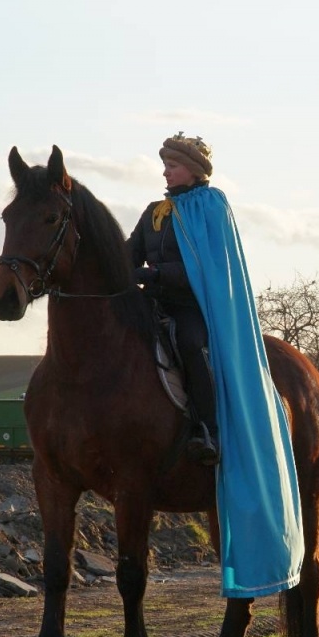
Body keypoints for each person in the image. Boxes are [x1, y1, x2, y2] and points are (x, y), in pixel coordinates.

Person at [126, 132, 221, 465]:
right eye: (165, 165)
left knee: (191, 344)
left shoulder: (211, 208)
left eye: (172, 166)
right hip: (152, 301)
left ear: (194, 171)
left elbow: (206, 266)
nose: (165, 173)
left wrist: (157, 274)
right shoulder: (155, 212)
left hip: (191, 305)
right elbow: (130, 254)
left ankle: (209, 429)